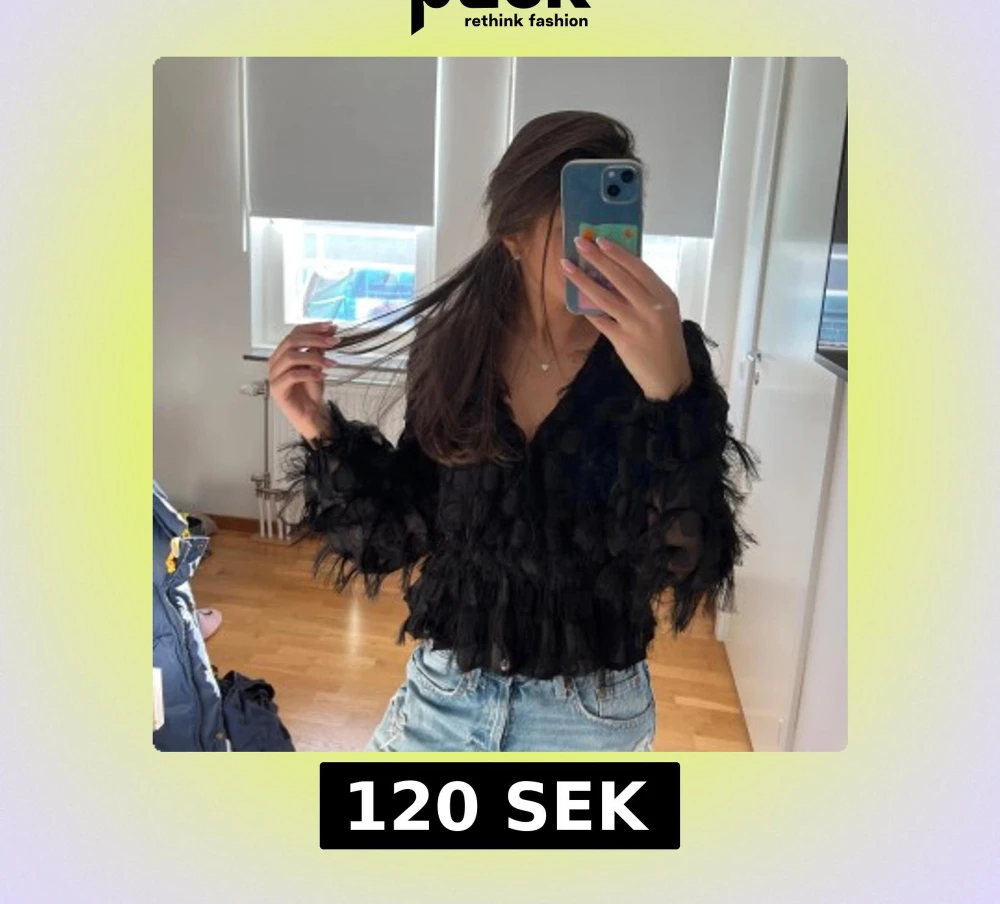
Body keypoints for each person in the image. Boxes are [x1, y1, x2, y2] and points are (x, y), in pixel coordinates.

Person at [267, 111, 757, 752]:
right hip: (445, 695)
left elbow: (690, 563)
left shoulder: (668, 356)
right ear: (514, 237)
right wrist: (317, 426)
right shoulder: (455, 350)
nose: (602, 245)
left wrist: (671, 397)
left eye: (617, 219)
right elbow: (405, 529)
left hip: (590, 718)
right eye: (576, 222)